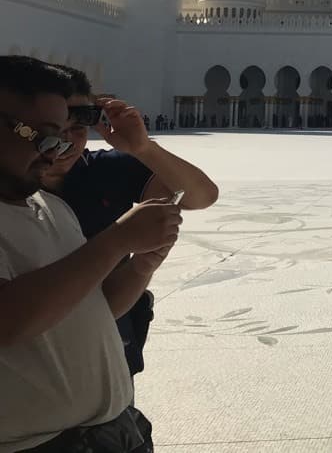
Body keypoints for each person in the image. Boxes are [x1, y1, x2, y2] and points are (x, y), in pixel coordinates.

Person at [0, 55, 183, 452]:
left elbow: (96, 307)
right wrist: (116, 240)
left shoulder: (51, 208)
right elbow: (7, 320)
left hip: (115, 432)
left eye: (65, 136)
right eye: (43, 135)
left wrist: (142, 264)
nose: (56, 152)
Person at [40, 66, 219, 376]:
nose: (65, 141)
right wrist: (122, 239)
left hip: (109, 352)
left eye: (79, 126)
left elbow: (200, 195)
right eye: (53, 128)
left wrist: (143, 148)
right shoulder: (14, 192)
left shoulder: (103, 171)